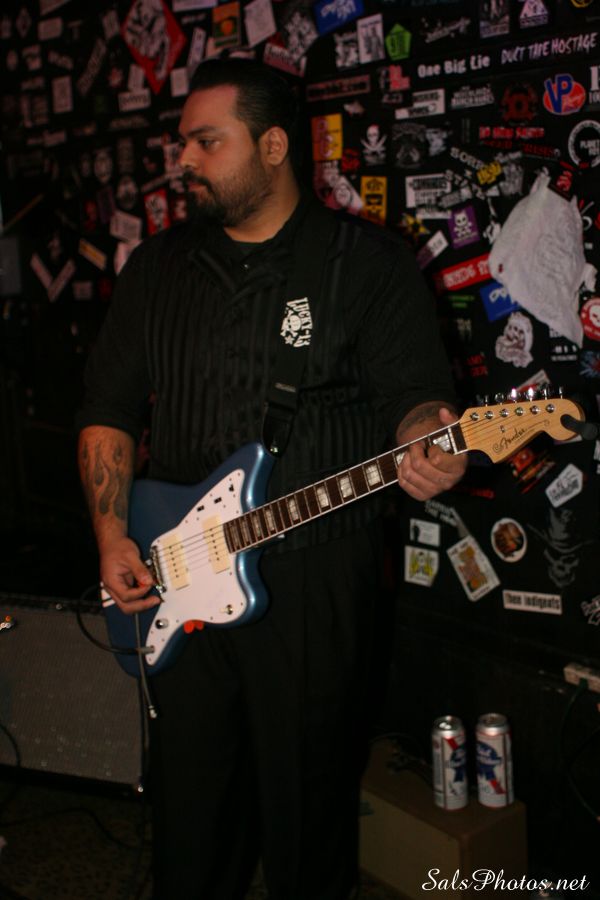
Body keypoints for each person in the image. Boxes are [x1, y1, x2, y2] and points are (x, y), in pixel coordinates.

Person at [77, 58, 467, 900]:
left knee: (307, 811)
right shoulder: (156, 267)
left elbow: (414, 398)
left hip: (314, 572)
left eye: (206, 142)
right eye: (182, 142)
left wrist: (430, 442)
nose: (183, 160)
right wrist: (111, 536)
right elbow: (107, 408)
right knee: (190, 814)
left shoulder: (366, 262)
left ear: (274, 146)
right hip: (178, 570)